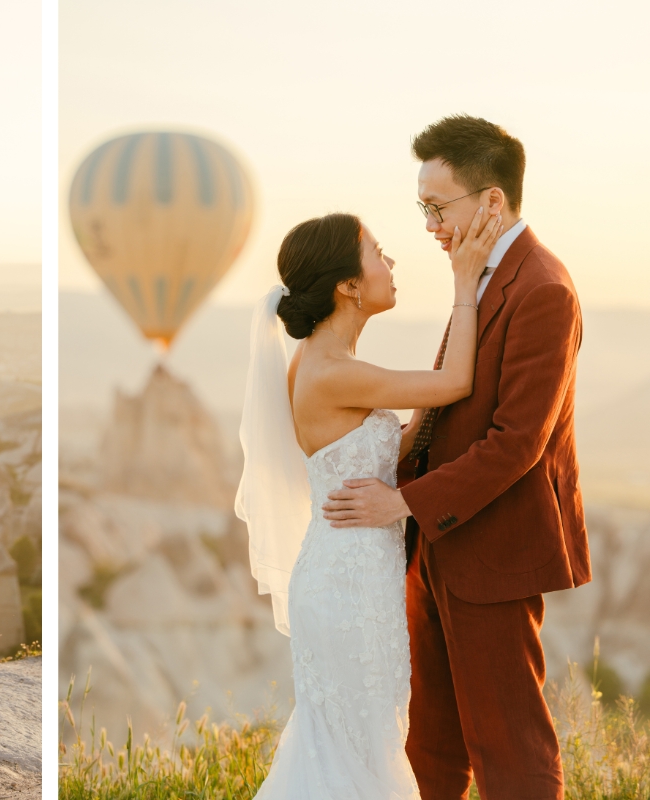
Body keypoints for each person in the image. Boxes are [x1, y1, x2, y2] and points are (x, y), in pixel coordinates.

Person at [322, 115, 590, 800]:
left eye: (437, 208)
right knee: (430, 749)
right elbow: (445, 405)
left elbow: (517, 444)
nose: (430, 226)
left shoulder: (544, 289)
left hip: (493, 553)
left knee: (509, 748)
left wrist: (402, 500)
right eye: (424, 210)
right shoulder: (478, 279)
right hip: (436, 547)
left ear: (491, 202)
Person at [236, 209, 500, 797]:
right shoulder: (332, 370)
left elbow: (379, 447)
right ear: (349, 285)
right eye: (378, 253)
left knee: (361, 745)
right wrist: (465, 280)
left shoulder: (325, 362)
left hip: (356, 577)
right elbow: (458, 381)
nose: (391, 263)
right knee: (358, 755)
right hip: (347, 587)